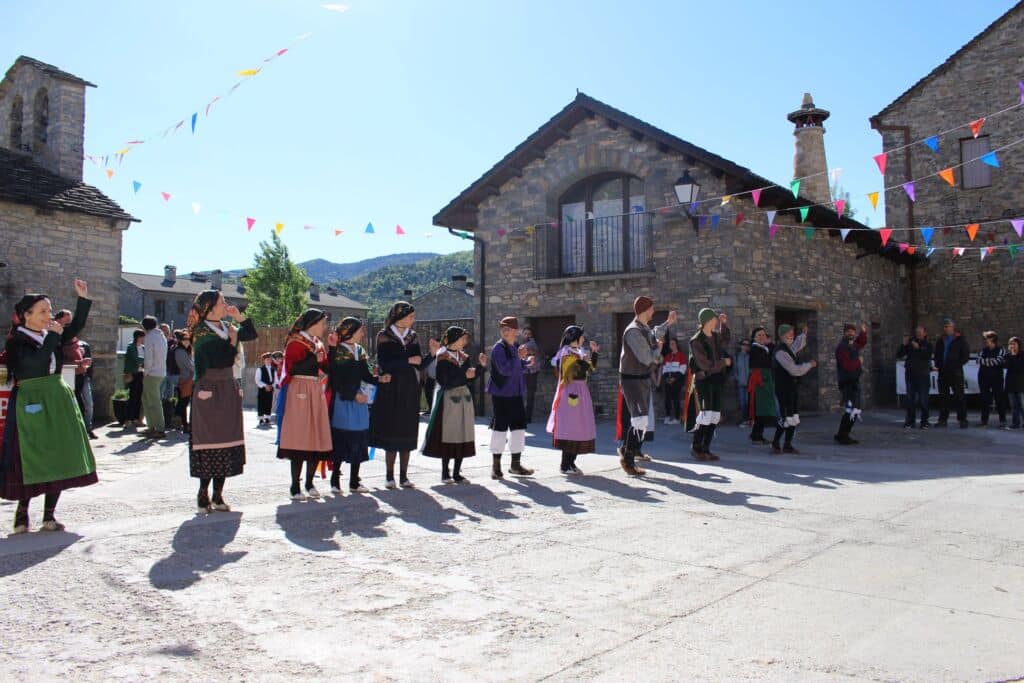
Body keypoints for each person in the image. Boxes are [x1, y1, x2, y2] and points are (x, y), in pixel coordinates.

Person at [1, 280, 97, 533]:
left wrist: (82, 299)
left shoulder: (50, 334)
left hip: (57, 397)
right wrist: (54, 336)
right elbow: (36, 363)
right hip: (32, 399)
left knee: (59, 453)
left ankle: (49, 516)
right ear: (26, 315)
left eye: (50, 310)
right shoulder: (17, 341)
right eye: (42, 311)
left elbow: (75, 327)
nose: (48, 315)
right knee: (31, 455)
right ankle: (22, 513)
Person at [188, 290, 257, 513]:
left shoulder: (227, 327)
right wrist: (233, 341)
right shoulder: (201, 331)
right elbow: (219, 359)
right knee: (209, 440)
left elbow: (251, 334)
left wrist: (240, 318)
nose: (226, 304)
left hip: (227, 387)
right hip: (209, 387)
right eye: (222, 301)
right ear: (210, 307)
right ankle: (203, 493)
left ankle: (218, 495)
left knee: (226, 440)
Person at [327, 317, 387, 494]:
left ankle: (354, 481)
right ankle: (335, 480)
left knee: (359, 437)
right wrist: (353, 395)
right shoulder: (338, 351)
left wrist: (379, 379)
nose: (363, 333)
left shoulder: (359, 350)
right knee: (342, 437)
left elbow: (365, 375)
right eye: (360, 330)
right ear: (350, 331)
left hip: (359, 400)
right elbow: (336, 379)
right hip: (344, 399)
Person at [277, 309, 332, 500]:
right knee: (299, 436)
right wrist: (313, 359)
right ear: (312, 324)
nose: (324, 327)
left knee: (315, 434)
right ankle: (295, 485)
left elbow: (326, 367)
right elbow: (292, 368)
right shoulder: (295, 342)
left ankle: (310, 483)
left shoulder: (318, 344)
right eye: (322, 323)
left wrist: (332, 350)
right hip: (299, 388)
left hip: (315, 389)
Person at [617, 298, 676, 475]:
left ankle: (629, 450)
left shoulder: (643, 328)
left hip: (641, 378)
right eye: (651, 309)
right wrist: (659, 350)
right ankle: (628, 461)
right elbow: (647, 357)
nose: (653, 311)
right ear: (644, 310)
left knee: (641, 419)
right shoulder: (633, 331)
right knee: (639, 420)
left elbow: (654, 333)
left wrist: (668, 323)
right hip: (632, 380)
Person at [369, 301, 422, 489]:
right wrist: (407, 360)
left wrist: (430, 356)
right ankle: (389, 476)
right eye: (410, 316)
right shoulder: (384, 335)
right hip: (391, 388)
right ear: (400, 317)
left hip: (409, 387)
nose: (413, 320)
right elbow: (385, 363)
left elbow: (419, 362)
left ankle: (404, 477)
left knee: (407, 430)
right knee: (392, 430)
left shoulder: (413, 336)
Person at [422, 326, 485, 483]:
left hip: (464, 397)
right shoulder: (442, 356)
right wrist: (464, 374)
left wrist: (480, 367)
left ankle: (457, 472)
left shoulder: (463, 356)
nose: (465, 341)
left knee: (463, 433)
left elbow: (469, 376)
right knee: (449, 433)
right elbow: (445, 380)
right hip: (449, 399)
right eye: (462, 338)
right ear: (454, 339)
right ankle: (445, 472)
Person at [486, 316, 536, 479]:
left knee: (519, 428)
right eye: (503, 329)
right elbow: (505, 370)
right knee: (500, 428)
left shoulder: (515, 347)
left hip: (516, 393)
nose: (505, 331)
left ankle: (515, 465)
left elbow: (517, 368)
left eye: (508, 329)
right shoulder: (498, 348)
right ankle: (496, 467)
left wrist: (527, 363)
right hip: (501, 394)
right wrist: (519, 358)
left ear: (516, 331)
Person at [547, 325, 599, 475]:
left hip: (580, 391)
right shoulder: (565, 353)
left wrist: (594, 353)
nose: (583, 338)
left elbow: (591, 369)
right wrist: (585, 361)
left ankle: (571, 462)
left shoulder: (578, 352)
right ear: (575, 337)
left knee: (580, 426)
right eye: (581, 336)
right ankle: (565, 465)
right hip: (571, 393)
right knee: (571, 427)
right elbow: (573, 372)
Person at [685, 309, 732, 460]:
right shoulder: (696, 340)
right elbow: (704, 364)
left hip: (716, 379)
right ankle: (696, 447)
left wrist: (724, 325)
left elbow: (725, 339)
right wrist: (723, 362)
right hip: (704, 381)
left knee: (715, 416)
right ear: (707, 320)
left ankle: (706, 449)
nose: (716, 321)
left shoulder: (715, 336)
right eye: (714, 319)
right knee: (706, 415)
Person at [772, 324, 816, 453]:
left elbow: (797, 345)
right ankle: (775, 443)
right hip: (784, 389)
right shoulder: (780, 352)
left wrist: (803, 334)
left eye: (792, 332)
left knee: (793, 417)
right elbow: (794, 370)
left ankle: (787, 445)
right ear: (781, 335)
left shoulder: (788, 348)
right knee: (786, 418)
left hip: (791, 388)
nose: (791, 335)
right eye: (788, 333)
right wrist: (809, 365)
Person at [834, 322, 868, 445]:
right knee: (851, 410)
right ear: (844, 333)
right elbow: (847, 366)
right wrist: (859, 362)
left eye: (853, 331)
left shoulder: (851, 345)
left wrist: (863, 332)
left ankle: (842, 434)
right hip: (847, 383)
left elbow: (861, 342)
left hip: (853, 381)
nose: (851, 333)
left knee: (853, 409)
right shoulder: (842, 348)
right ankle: (842, 435)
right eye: (849, 331)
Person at [934, 317, 970, 429]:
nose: (945, 329)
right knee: (943, 397)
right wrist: (939, 364)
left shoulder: (960, 340)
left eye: (947, 326)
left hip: (955, 372)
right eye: (944, 327)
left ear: (952, 327)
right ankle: (943, 420)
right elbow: (937, 354)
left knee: (959, 396)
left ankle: (962, 419)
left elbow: (965, 355)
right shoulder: (941, 340)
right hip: (943, 372)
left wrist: (956, 365)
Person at [897, 326, 934, 429]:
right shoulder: (910, 343)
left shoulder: (928, 344)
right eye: (917, 332)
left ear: (925, 333)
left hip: (923, 375)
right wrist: (904, 345)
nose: (918, 334)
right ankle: (910, 421)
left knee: (923, 399)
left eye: (920, 332)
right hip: (910, 375)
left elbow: (927, 355)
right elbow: (899, 354)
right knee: (910, 399)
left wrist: (919, 348)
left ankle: (924, 421)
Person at [747, 327, 778, 446]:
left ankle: (757, 434)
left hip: (764, 380)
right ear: (754, 338)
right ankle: (756, 436)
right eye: (759, 335)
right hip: (759, 381)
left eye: (763, 335)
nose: (762, 337)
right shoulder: (755, 349)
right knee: (760, 410)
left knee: (762, 410)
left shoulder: (764, 348)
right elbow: (764, 363)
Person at [141, 315, 167, 439]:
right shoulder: (162, 336)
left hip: (152, 373)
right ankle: (151, 426)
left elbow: (149, 358)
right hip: (161, 371)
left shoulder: (149, 337)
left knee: (153, 402)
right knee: (147, 399)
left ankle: (159, 428)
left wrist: (145, 372)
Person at [977, 331, 1009, 428]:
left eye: (986, 338)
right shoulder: (983, 350)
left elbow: (998, 361)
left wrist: (986, 361)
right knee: (984, 399)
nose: (985, 340)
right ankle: (984, 421)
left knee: (999, 399)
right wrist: (990, 361)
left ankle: (1002, 421)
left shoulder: (1001, 350)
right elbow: (978, 360)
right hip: (983, 377)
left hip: (996, 378)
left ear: (992, 339)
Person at [661, 338, 686, 425]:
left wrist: (674, 378)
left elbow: (683, 369)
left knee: (676, 399)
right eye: (670, 344)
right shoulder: (667, 356)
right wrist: (667, 378)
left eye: (673, 343)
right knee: (667, 399)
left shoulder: (681, 355)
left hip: (677, 380)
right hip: (668, 380)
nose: (672, 345)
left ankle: (677, 418)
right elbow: (664, 369)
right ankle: (667, 416)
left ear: (676, 344)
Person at [123, 329, 145, 428]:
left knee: (139, 397)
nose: (144, 339)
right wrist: (145, 361)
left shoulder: (143, 348)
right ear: (138, 337)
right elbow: (136, 359)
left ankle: (136, 419)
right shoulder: (130, 347)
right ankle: (128, 419)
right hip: (133, 374)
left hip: (141, 374)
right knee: (132, 397)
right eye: (142, 336)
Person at [174, 329, 194, 434]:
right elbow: (190, 366)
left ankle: (183, 423)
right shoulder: (180, 351)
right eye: (184, 339)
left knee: (183, 402)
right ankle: (184, 424)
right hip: (184, 379)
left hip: (187, 379)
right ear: (180, 340)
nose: (186, 341)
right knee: (183, 402)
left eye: (188, 339)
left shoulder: (186, 350)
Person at [75, 338, 96, 439]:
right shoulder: (63, 343)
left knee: (89, 403)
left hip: (83, 377)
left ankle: (88, 428)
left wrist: (89, 377)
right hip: (70, 377)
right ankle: (79, 429)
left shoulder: (84, 345)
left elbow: (89, 363)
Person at [522, 325, 542, 423]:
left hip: (531, 373)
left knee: (530, 395)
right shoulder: (524, 344)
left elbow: (536, 353)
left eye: (529, 334)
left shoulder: (532, 343)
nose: (527, 335)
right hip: (525, 372)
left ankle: (527, 417)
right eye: (525, 333)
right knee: (526, 395)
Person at [1006, 336, 1024, 429]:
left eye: (1014, 344)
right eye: (1011, 344)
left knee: (1023, 405)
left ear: (1019, 345)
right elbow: (1006, 365)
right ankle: (1015, 423)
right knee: (1013, 406)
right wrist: (1011, 355)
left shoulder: (1022, 355)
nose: (1012, 346)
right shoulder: (1008, 356)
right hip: (1011, 384)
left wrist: (1013, 356)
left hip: (1021, 384)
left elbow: (1019, 367)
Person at [255, 352, 276, 425]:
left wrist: (272, 385)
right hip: (262, 389)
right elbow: (257, 380)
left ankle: (267, 418)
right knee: (261, 402)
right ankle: (261, 418)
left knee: (269, 402)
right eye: (267, 359)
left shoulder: (273, 370)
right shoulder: (260, 369)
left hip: (270, 388)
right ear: (264, 360)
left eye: (270, 359)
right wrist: (265, 385)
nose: (268, 361)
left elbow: (275, 380)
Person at [161, 323, 179, 407]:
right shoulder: (158, 342)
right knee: (161, 391)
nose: (166, 332)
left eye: (167, 330)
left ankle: (168, 409)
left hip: (171, 370)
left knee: (170, 392)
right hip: (161, 370)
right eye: (164, 330)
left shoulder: (173, 342)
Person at [734, 339, 751, 426]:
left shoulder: (750, 356)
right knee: (742, 402)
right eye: (744, 344)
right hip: (741, 383)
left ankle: (749, 419)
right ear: (741, 345)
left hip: (749, 383)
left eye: (747, 345)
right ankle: (744, 419)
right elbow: (735, 370)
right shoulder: (737, 356)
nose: (745, 346)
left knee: (748, 402)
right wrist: (738, 379)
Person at [421, 336, 439, 415]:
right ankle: (431, 408)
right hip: (430, 377)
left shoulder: (443, 355)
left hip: (440, 378)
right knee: (428, 391)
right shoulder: (430, 355)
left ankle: (438, 409)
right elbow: (423, 366)